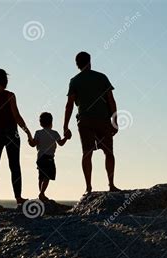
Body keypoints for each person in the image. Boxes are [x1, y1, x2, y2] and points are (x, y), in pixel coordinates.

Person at [63, 51, 120, 194]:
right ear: (90, 61)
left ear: (77, 64)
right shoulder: (101, 77)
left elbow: (69, 104)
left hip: (85, 120)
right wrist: (115, 120)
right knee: (108, 152)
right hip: (103, 119)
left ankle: (88, 187)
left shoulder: (75, 80)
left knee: (87, 153)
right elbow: (111, 100)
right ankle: (111, 184)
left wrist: (65, 126)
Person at [0, 69, 33, 207]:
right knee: (15, 165)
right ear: (5, 81)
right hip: (11, 133)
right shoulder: (10, 95)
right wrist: (27, 132)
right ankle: (18, 198)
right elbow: (17, 116)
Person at [28, 112, 69, 201]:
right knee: (47, 177)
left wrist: (29, 137)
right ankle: (42, 193)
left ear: (40, 123)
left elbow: (32, 144)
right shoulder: (54, 133)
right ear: (51, 122)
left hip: (40, 158)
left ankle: (41, 194)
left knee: (41, 176)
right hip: (49, 158)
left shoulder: (38, 133)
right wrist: (66, 138)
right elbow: (61, 143)